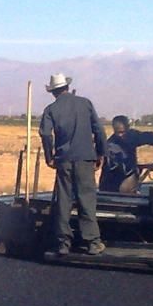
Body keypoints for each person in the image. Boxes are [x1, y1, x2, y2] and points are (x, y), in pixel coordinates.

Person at [39, 72, 108, 255]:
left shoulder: (51, 109)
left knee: (64, 201)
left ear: (53, 92)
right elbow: (99, 130)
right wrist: (101, 153)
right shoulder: (85, 103)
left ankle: (63, 243)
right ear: (67, 87)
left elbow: (46, 134)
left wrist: (49, 156)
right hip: (85, 158)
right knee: (87, 199)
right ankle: (93, 242)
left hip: (64, 160)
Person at [99, 115, 153, 193]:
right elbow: (123, 168)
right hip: (111, 186)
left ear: (128, 128)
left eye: (123, 132)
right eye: (118, 133)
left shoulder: (131, 136)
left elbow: (149, 137)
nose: (120, 136)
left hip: (124, 185)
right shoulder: (111, 146)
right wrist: (145, 167)